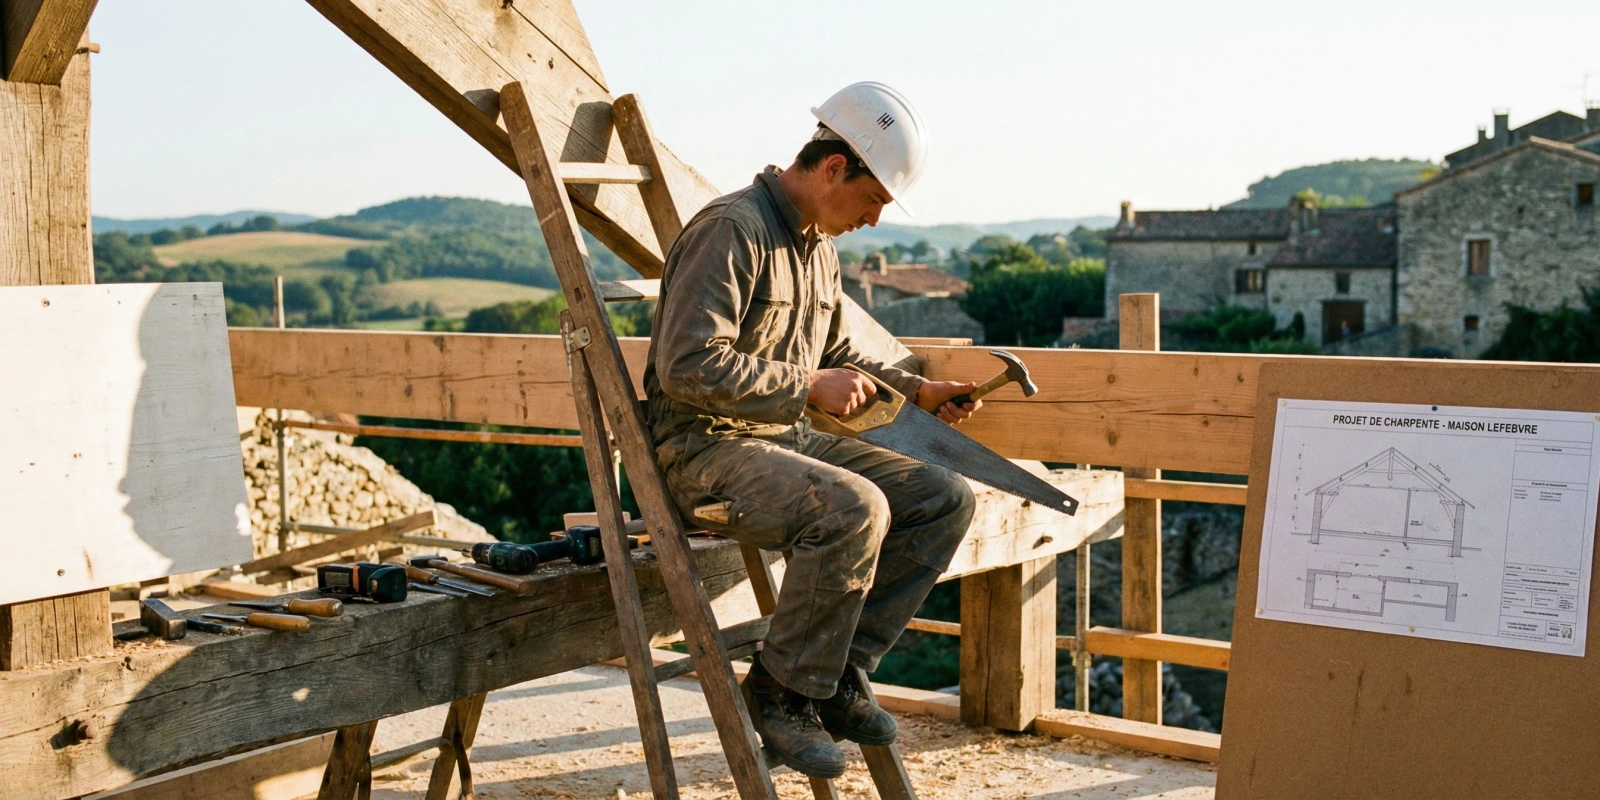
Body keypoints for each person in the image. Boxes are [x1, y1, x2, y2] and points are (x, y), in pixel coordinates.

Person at [643, 82, 979, 779]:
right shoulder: (731, 230)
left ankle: (838, 671)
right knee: (854, 507)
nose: (874, 220)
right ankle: (781, 693)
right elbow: (686, 365)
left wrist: (915, 391)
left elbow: (836, 355)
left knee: (944, 497)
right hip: (703, 450)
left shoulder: (816, 245)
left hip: (778, 440)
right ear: (833, 168)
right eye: (873, 200)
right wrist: (805, 387)